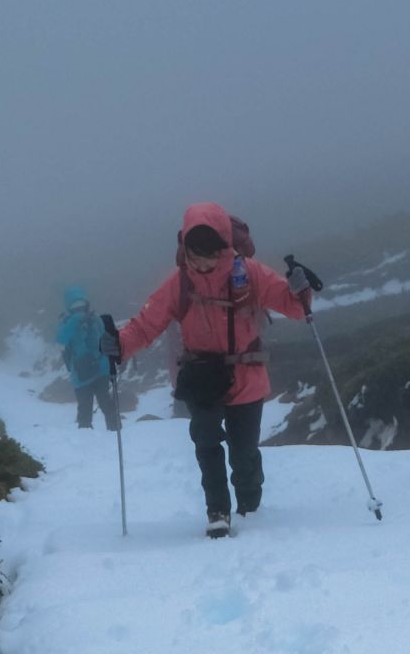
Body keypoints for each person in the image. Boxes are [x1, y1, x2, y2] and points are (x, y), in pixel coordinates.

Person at [101, 205, 316, 536]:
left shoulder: (250, 273)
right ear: (184, 249)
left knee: (244, 454)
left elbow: (294, 308)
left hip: (247, 378)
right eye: (193, 254)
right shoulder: (180, 283)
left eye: (208, 255)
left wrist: (301, 291)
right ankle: (218, 510)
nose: (201, 263)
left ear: (224, 248)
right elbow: (147, 323)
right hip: (202, 377)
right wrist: (120, 344)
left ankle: (249, 507)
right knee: (206, 443)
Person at [56, 285, 121, 432]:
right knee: (105, 402)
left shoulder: (67, 322)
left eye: (80, 304)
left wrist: (72, 322)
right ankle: (115, 430)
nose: (78, 308)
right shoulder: (94, 318)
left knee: (85, 407)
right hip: (100, 369)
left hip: (81, 374)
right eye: (76, 305)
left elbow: (60, 339)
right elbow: (105, 339)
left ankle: (85, 435)